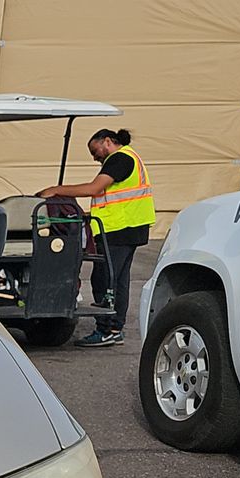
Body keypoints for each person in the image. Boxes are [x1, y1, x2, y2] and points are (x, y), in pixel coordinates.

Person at [38, 127, 155, 347]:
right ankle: (114, 327)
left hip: (118, 229)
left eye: (95, 150)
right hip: (130, 227)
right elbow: (112, 197)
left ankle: (106, 328)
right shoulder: (131, 158)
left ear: (108, 141)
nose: (95, 157)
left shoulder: (119, 158)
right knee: (118, 280)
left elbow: (95, 188)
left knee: (104, 279)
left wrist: (56, 190)